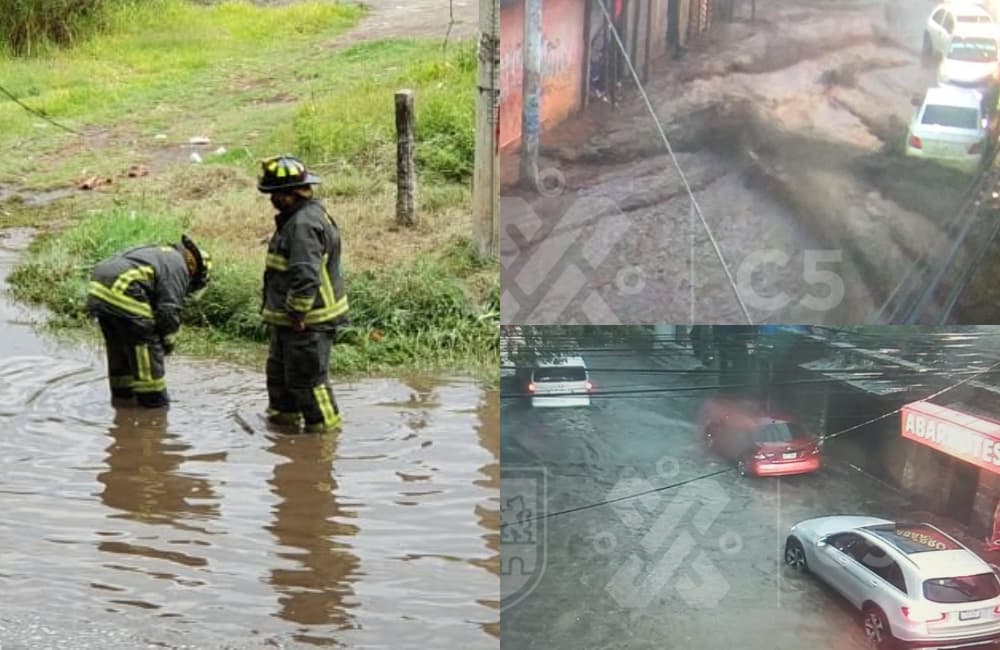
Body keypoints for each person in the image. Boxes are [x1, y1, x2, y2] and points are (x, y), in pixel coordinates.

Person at [257, 154, 349, 434]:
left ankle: (323, 438)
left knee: (308, 381)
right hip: (290, 320)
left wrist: (297, 313)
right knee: (280, 377)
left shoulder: (302, 225)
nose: (271, 200)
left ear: (289, 194)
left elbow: (305, 274)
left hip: (307, 321)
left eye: (274, 194)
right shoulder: (300, 217)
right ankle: (282, 429)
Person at [86, 235, 212, 409]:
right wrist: (167, 344)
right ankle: (153, 406)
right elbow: (168, 312)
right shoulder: (179, 267)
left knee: (119, 345)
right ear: (195, 268)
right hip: (122, 289)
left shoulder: (163, 254)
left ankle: (122, 399)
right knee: (146, 344)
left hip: (97, 289)